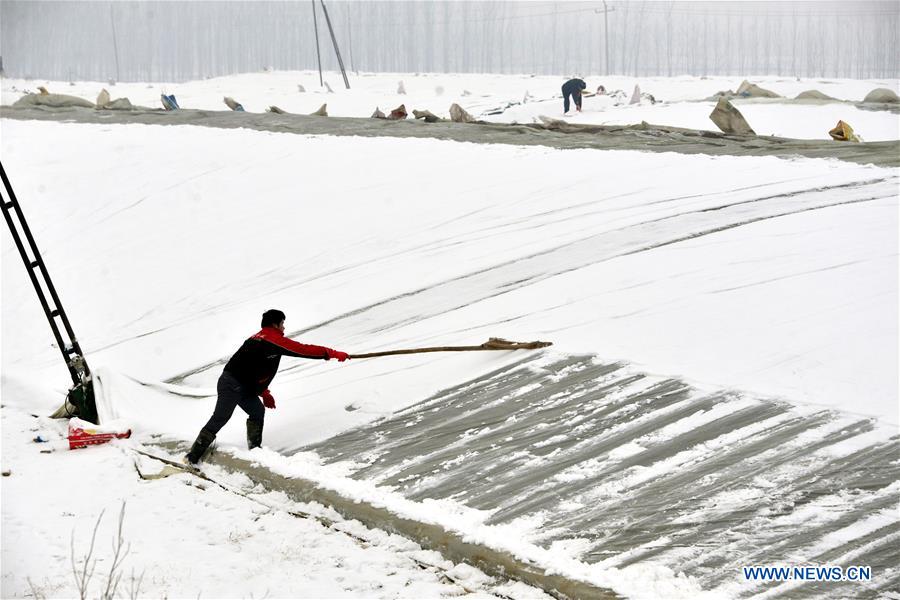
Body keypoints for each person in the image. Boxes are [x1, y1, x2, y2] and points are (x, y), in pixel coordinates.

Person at [184, 309, 349, 464]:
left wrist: (263, 391)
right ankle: (192, 458)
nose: (284, 327)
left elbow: (252, 368)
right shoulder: (271, 339)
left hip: (243, 385)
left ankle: (255, 452)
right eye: (282, 323)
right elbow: (302, 349)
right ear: (275, 324)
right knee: (220, 417)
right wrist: (332, 353)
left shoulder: (258, 338)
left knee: (257, 411)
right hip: (231, 384)